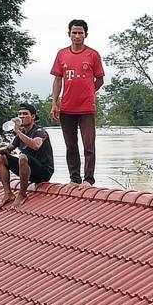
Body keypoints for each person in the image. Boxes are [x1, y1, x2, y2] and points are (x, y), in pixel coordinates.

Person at [50, 19, 104, 187]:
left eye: (80, 33)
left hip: (86, 108)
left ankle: (88, 180)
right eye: (74, 32)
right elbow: (58, 79)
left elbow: (100, 79)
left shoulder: (92, 55)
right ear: (69, 34)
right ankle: (74, 179)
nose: (77, 36)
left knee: (89, 145)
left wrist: (88, 92)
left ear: (85, 35)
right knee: (71, 146)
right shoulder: (62, 54)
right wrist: (55, 103)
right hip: (67, 107)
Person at [0, 103, 54, 208]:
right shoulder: (21, 133)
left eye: (25, 114)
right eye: (20, 114)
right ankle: (8, 194)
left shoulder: (39, 131)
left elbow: (36, 145)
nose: (21, 117)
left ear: (33, 117)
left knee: (22, 156)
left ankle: (22, 194)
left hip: (43, 171)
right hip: (27, 168)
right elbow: (9, 149)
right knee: (1, 158)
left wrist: (17, 132)